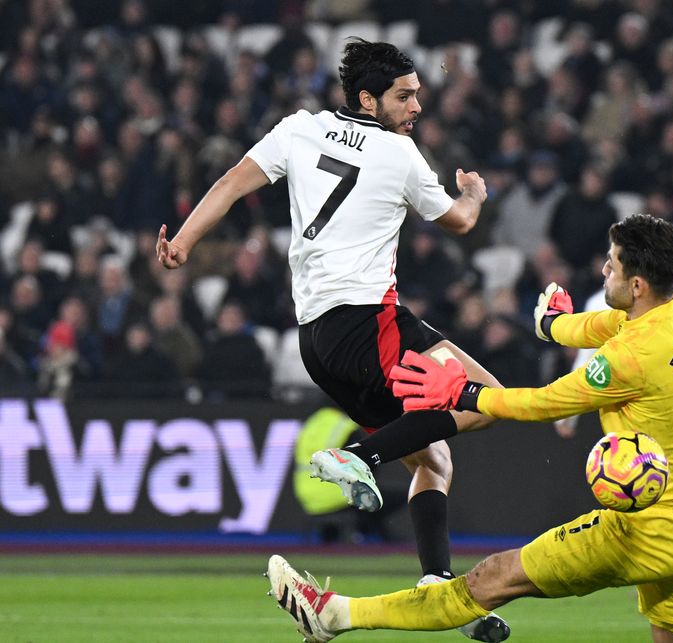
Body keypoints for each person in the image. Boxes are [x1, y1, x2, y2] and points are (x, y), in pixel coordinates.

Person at [157, 38, 508, 642]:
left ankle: (435, 586)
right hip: (368, 323)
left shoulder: (299, 128)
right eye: (405, 95)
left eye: (419, 93)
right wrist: (474, 191)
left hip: (316, 342)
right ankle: (359, 458)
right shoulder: (399, 155)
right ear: (368, 99)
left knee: (434, 459)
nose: (417, 106)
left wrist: (184, 242)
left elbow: (233, 181)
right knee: (488, 398)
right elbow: (461, 221)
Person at [267, 214, 673, 642]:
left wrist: (461, 392)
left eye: (611, 265)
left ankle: (332, 614)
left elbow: (542, 404)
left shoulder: (632, 358)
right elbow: (608, 323)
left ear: (637, 285)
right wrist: (552, 325)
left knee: (488, 581)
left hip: (645, 531)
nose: (603, 269)